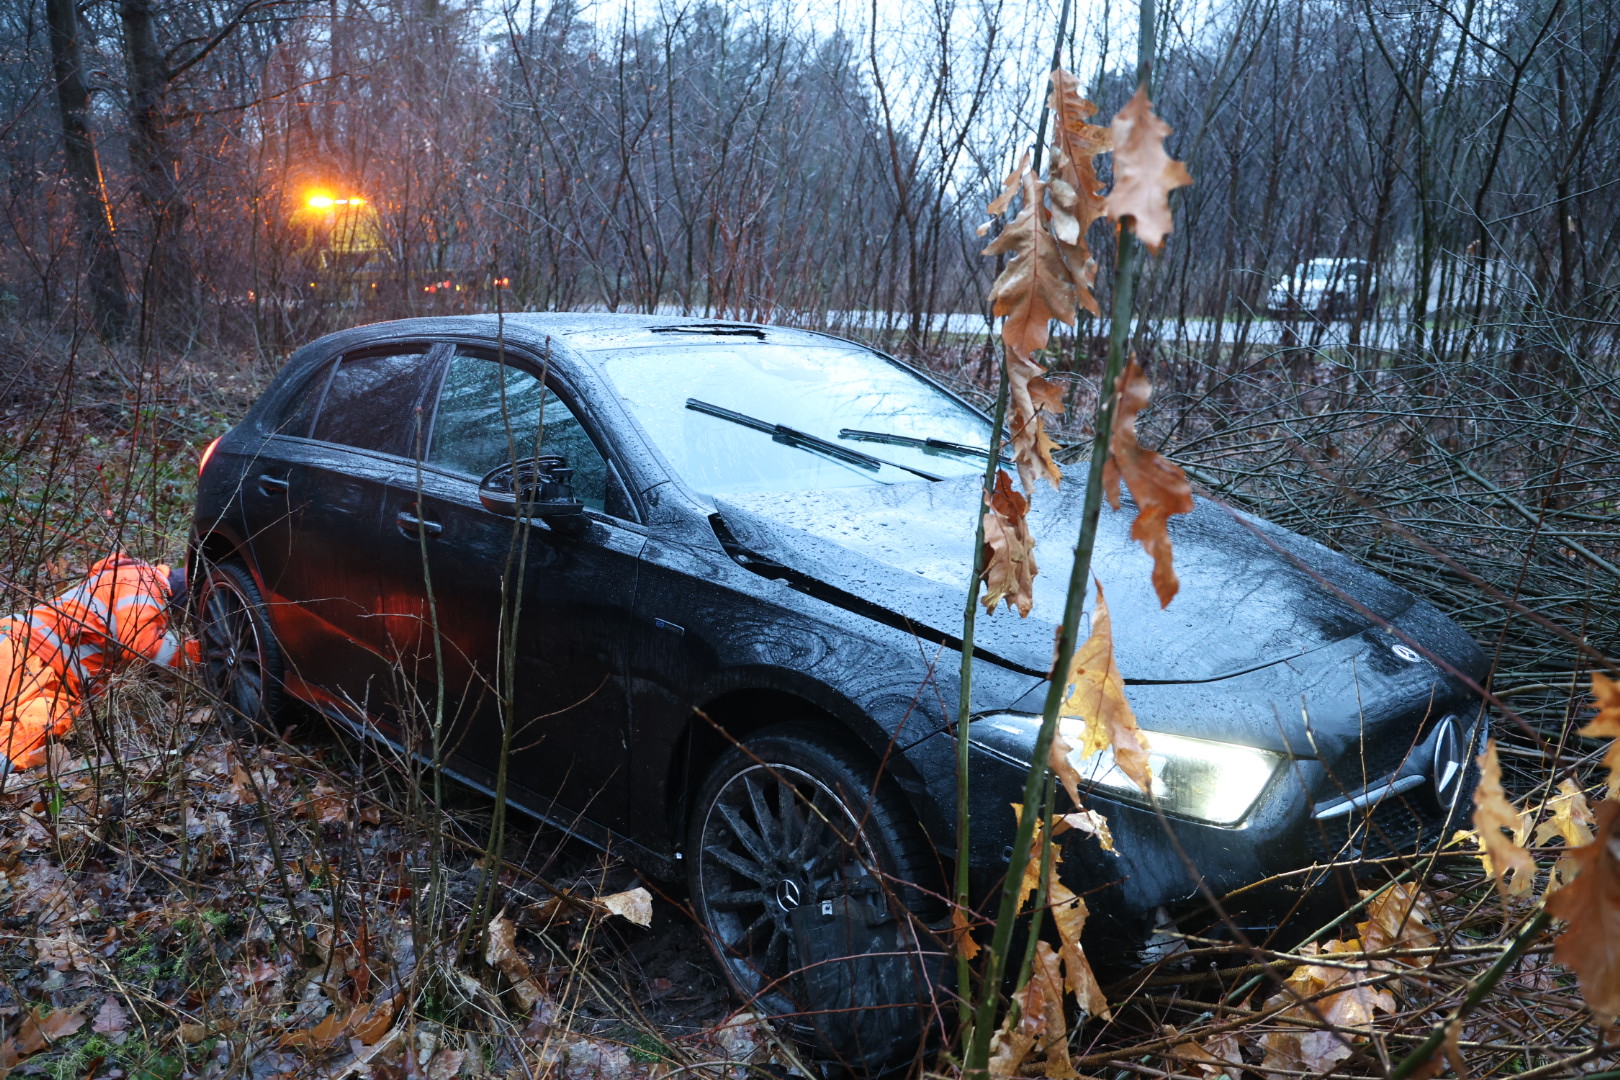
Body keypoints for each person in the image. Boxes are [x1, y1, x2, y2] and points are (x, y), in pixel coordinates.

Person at [0, 554, 196, 776]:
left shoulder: (144, 597)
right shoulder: (138, 579)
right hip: (18, 647)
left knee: (31, 733)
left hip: (58, 684)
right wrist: (203, 653)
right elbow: (143, 646)